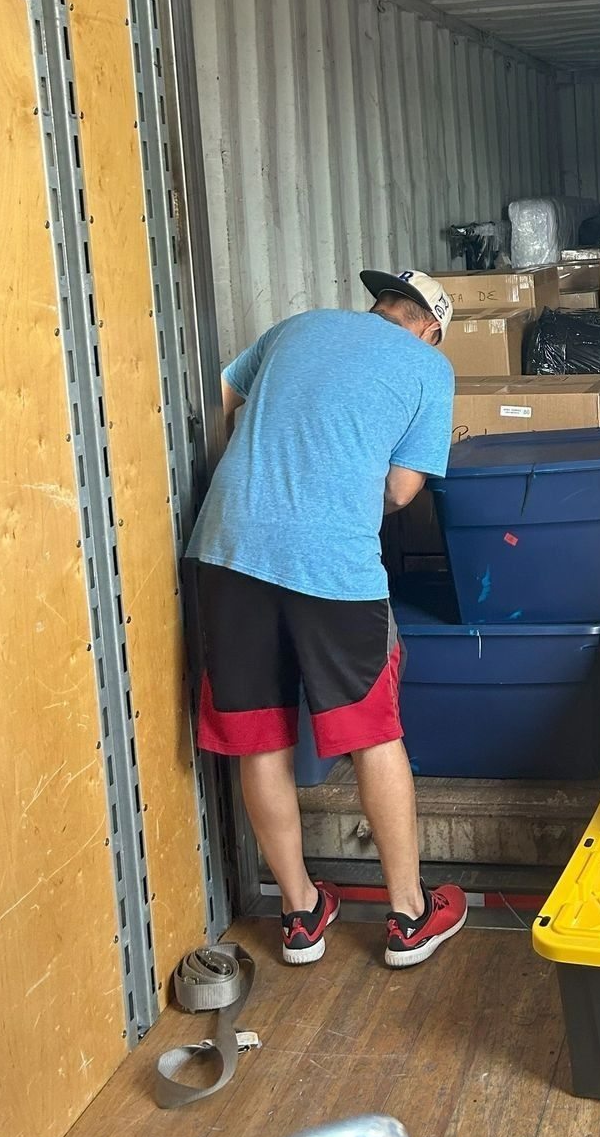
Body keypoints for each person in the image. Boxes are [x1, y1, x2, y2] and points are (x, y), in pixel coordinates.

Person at [187, 267, 468, 970]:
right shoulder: (430, 369)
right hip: (331, 567)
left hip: (227, 548)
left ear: (378, 303)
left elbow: (224, 397)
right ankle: (408, 916)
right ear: (431, 327)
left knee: (261, 738)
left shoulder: (300, 325)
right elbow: (402, 490)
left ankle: (300, 913)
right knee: (372, 733)